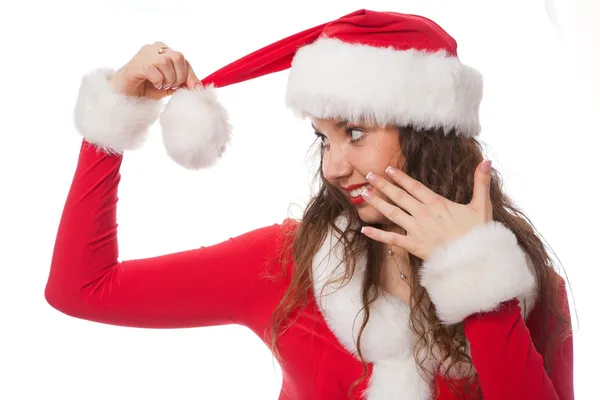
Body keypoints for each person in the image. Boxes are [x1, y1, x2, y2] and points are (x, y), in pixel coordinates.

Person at [45, 9, 574, 400]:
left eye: (356, 131)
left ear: (428, 136)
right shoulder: (286, 265)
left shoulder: (525, 291)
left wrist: (478, 286)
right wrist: (112, 123)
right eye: (324, 138)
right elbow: (82, 289)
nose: (333, 167)